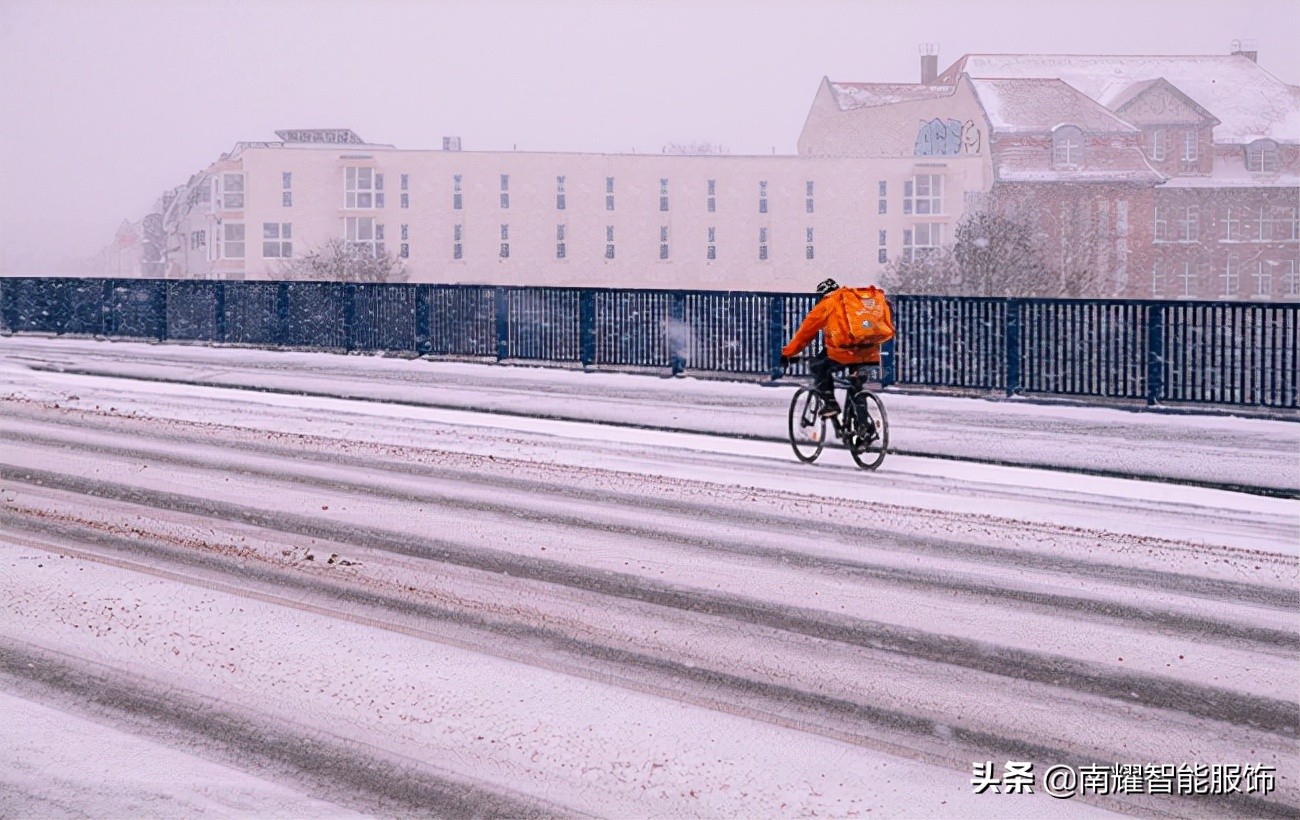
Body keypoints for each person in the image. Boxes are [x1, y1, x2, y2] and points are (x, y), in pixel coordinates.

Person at [780, 278, 885, 418]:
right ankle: (864, 429)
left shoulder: (827, 304)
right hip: (870, 354)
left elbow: (805, 333)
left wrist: (788, 353)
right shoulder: (855, 302)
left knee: (818, 366)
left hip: (845, 353)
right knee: (856, 387)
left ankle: (830, 403)